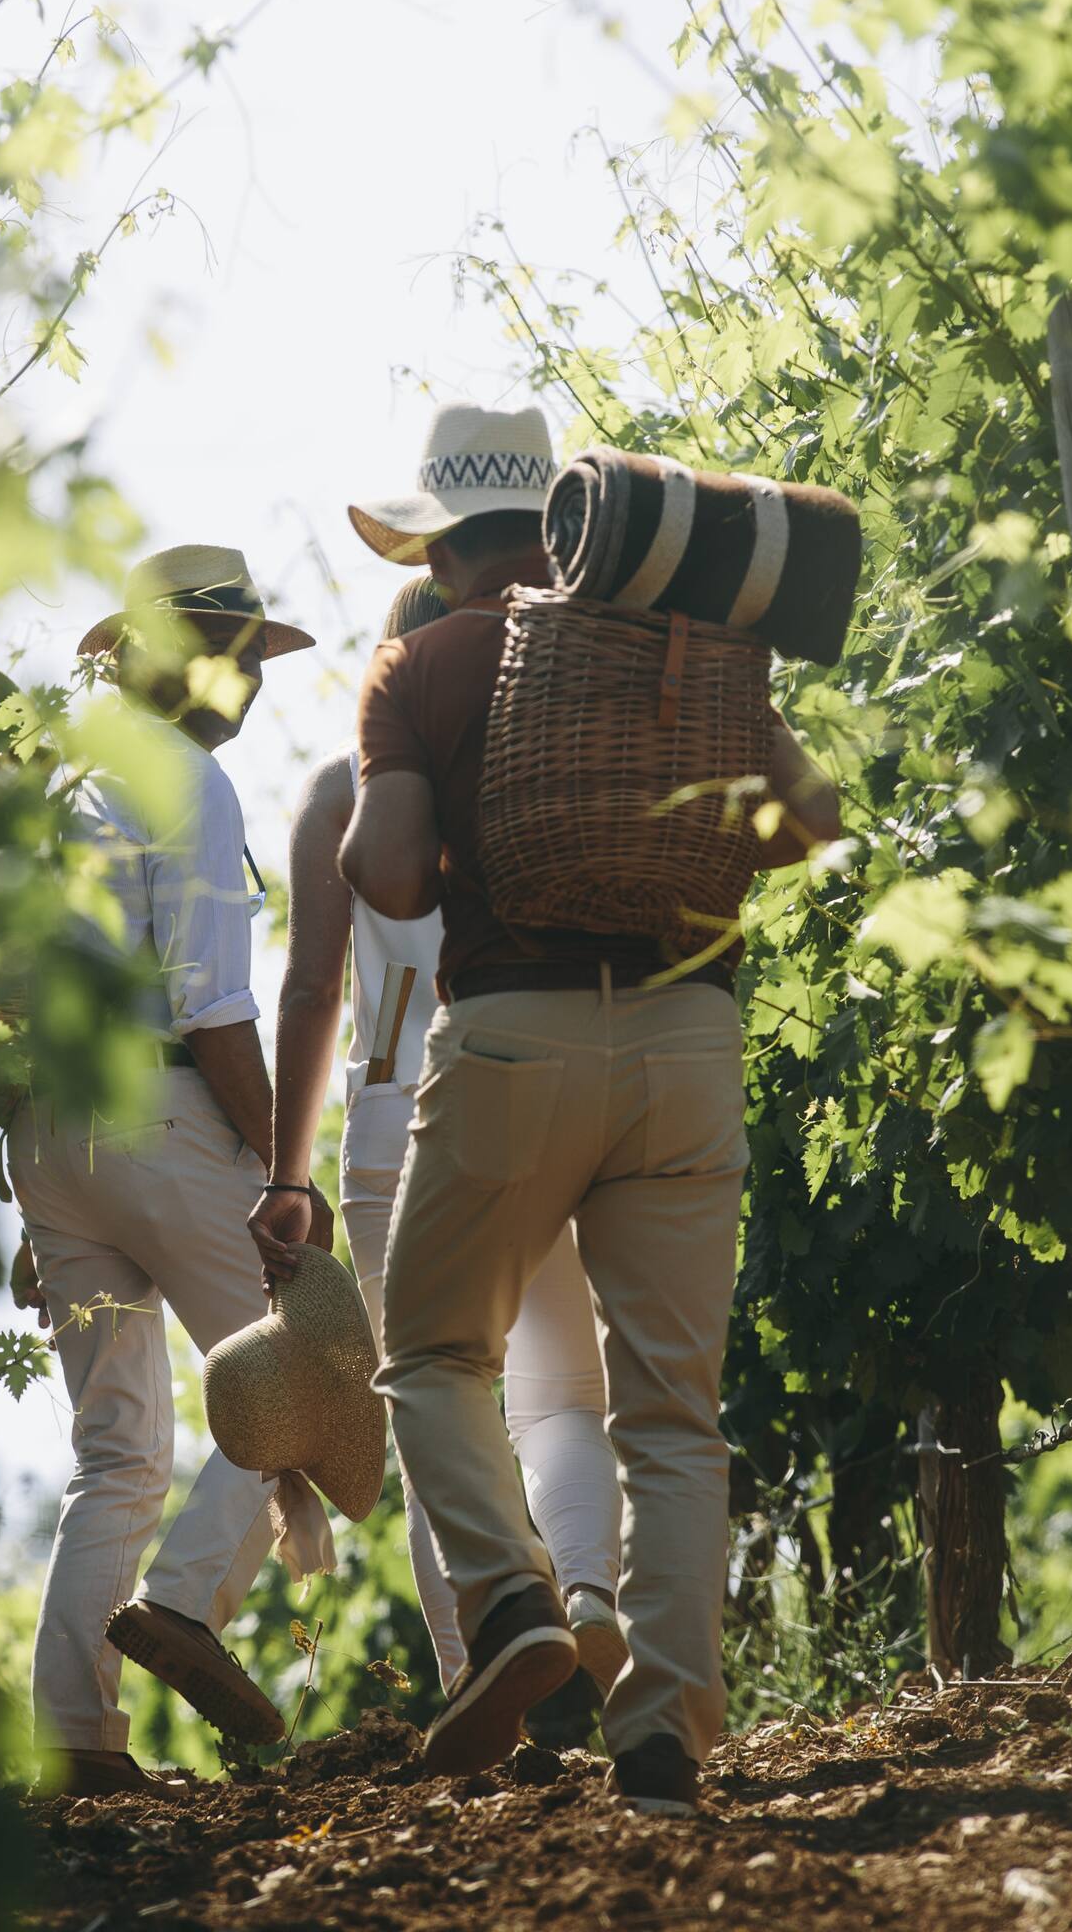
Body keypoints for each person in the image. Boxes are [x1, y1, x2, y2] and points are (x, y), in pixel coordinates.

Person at [339, 403, 841, 1814]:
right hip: (688, 1034)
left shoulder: (420, 664)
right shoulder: (663, 643)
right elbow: (813, 820)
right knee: (670, 1410)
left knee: (433, 1351)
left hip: (512, 1039)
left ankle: (511, 1609)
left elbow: (385, 878)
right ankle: (667, 1737)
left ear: (440, 543)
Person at [248, 575, 626, 1722]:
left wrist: (285, 1173)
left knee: (433, 1409)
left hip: (383, 1134)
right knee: (562, 1397)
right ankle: (594, 1591)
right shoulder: (525, 774)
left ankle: (481, 1676)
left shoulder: (334, 793)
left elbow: (313, 988)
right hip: (535, 1094)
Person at [7, 545, 331, 1799]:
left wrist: (36, 1194)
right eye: (239, 652)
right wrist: (277, 1164)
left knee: (119, 1448)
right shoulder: (187, 783)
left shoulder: (54, 788)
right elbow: (211, 1007)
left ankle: (75, 1738)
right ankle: (187, 1604)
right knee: (300, 1372)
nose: (249, 677)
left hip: (51, 1127)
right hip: (160, 1108)